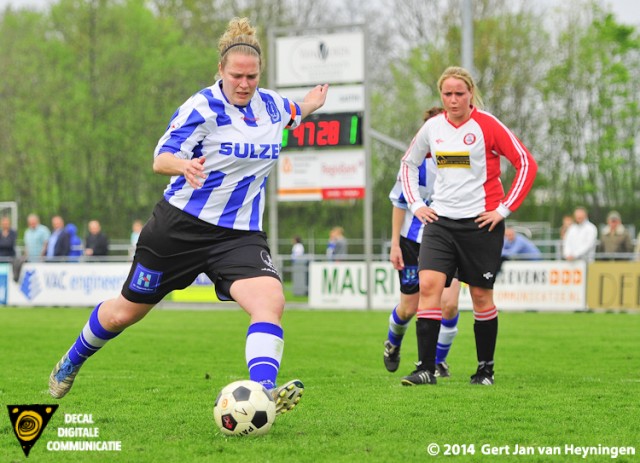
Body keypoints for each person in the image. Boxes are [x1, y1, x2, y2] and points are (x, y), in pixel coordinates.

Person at [48, 17, 328, 417]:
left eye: (252, 76)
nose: (244, 84)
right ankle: (73, 359)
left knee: (271, 301)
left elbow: (295, 110)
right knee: (124, 312)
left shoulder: (272, 106)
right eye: (236, 76)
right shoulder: (201, 107)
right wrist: (182, 167)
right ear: (220, 71)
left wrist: (313, 102)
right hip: (179, 229)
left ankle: (263, 391)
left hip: (239, 235)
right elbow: (160, 157)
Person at [400, 66, 537, 386]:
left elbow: (526, 163)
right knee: (430, 289)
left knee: (480, 297)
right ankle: (425, 368)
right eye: (447, 94)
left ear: (470, 93)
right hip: (440, 223)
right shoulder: (433, 128)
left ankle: (485, 370)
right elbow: (408, 163)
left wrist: (503, 210)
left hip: (481, 224)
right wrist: (417, 205)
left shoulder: (488, 125)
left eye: (459, 93)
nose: (453, 99)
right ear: (441, 96)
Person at [384, 107, 461, 381]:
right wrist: (395, 244)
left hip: (449, 240)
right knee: (408, 308)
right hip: (413, 242)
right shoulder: (414, 165)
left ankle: (437, 363)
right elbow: (399, 203)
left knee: (449, 304)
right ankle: (393, 342)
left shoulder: (460, 161)